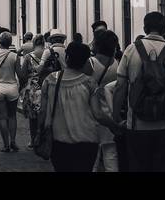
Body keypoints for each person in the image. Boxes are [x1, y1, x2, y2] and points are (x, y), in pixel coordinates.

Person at [111, 11, 165, 172]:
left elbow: (120, 86)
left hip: (136, 126)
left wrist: (115, 117)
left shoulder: (131, 50)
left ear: (144, 27)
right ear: (164, 28)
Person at [40, 41, 103, 172]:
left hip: (59, 142)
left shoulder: (50, 80)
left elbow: (43, 111)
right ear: (86, 61)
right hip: (87, 142)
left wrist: (39, 132)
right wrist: (114, 125)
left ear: (67, 58)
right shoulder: (90, 83)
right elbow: (97, 114)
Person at [88, 29, 121, 172]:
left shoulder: (91, 63)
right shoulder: (116, 63)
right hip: (110, 111)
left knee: (93, 155)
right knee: (111, 153)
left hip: (92, 112)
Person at [0, 32, 22, 152]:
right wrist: (21, 86)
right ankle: (13, 141)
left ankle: (6, 145)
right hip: (12, 87)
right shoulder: (14, 56)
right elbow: (20, 74)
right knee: (12, 116)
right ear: (10, 43)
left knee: (2, 118)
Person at [21, 34, 47, 142]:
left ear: (34, 43)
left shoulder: (28, 57)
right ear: (43, 43)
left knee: (33, 118)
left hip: (32, 88)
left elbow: (23, 74)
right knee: (45, 115)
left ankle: (33, 140)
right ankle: (43, 139)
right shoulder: (48, 54)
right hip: (46, 88)